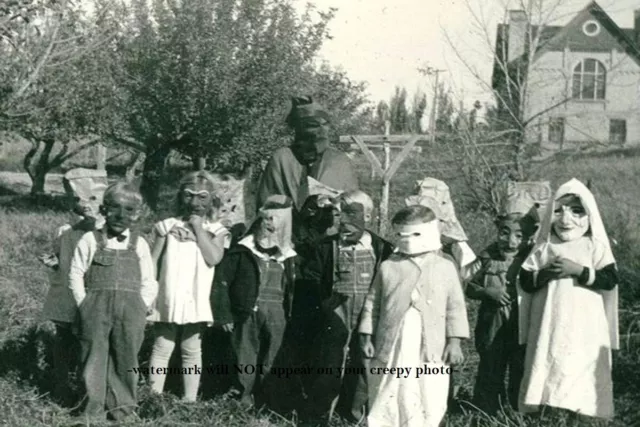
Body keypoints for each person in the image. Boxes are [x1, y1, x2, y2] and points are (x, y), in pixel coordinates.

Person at [359, 204, 469, 427]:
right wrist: (366, 335)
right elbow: (373, 303)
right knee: (389, 382)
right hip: (394, 341)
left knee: (429, 385)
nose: (408, 240)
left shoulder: (445, 266)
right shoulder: (388, 267)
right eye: (401, 234)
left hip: (431, 342)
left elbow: (455, 307)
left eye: (415, 233)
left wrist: (454, 342)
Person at [518, 178, 618, 419]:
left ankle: (579, 415)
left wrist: (579, 271)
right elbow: (525, 279)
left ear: (588, 214)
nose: (566, 219)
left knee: (579, 368)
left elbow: (609, 279)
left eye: (576, 211)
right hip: (549, 323)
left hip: (584, 327)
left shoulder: (594, 246)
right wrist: (544, 275)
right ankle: (548, 412)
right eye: (559, 210)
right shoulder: (544, 247)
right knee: (549, 363)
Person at [68, 181, 158, 421]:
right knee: (94, 356)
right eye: (115, 207)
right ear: (104, 209)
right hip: (95, 306)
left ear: (137, 215)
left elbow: (149, 279)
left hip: (131, 310)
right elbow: (76, 273)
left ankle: (123, 410)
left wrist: (142, 305)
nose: (121, 215)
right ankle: (93, 411)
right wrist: (84, 304)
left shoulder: (139, 243)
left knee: (126, 358)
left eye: (129, 210)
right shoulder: (90, 239)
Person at [302, 190, 394, 422]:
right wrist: (325, 305)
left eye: (351, 213)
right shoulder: (326, 247)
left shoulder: (382, 248)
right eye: (338, 213)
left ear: (369, 217)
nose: (343, 220)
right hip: (336, 313)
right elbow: (311, 278)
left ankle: (356, 415)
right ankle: (320, 415)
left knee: (365, 365)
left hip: (369, 314)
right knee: (329, 364)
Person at [147, 171, 230, 401]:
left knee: (191, 348)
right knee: (162, 345)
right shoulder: (166, 226)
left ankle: (189, 400)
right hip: (169, 294)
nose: (195, 203)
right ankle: (154, 396)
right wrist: (150, 293)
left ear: (212, 199)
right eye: (189, 196)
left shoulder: (217, 231)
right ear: (180, 197)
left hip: (196, 296)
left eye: (202, 197)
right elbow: (153, 262)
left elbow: (213, 258)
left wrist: (198, 230)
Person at [211, 195, 297, 407]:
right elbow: (222, 283)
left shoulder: (289, 257)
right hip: (247, 311)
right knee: (244, 357)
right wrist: (224, 314)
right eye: (266, 221)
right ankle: (241, 400)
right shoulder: (242, 252)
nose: (269, 227)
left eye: (275, 224)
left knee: (273, 357)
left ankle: (269, 402)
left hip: (277, 314)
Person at [39, 168, 107, 406]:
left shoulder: (107, 230)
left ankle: (87, 388)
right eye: (77, 199)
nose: (84, 205)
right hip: (68, 293)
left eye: (91, 198)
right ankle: (62, 385)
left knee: (88, 340)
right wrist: (54, 261)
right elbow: (63, 259)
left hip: (95, 293)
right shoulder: (66, 232)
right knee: (63, 337)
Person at [465, 197, 538, 414]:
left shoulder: (533, 259)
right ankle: (487, 413)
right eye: (504, 233)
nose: (511, 242)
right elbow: (469, 286)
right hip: (492, 326)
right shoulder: (487, 257)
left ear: (530, 236)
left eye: (519, 235)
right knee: (490, 368)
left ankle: (520, 412)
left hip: (522, 327)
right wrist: (488, 292)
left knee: (521, 369)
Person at [257, 96, 359, 213]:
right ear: (300, 128)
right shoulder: (282, 159)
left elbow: (353, 207)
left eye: (325, 124)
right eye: (313, 125)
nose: (320, 131)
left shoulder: (340, 161)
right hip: (289, 228)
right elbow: (267, 206)